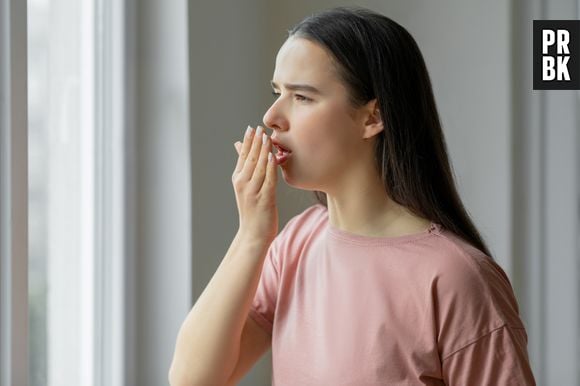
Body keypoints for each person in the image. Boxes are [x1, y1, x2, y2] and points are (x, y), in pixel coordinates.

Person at [169, 6, 536, 386]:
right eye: (278, 92)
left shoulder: (456, 278)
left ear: (372, 118)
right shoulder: (295, 244)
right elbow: (192, 379)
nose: (272, 116)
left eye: (302, 97)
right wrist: (251, 235)